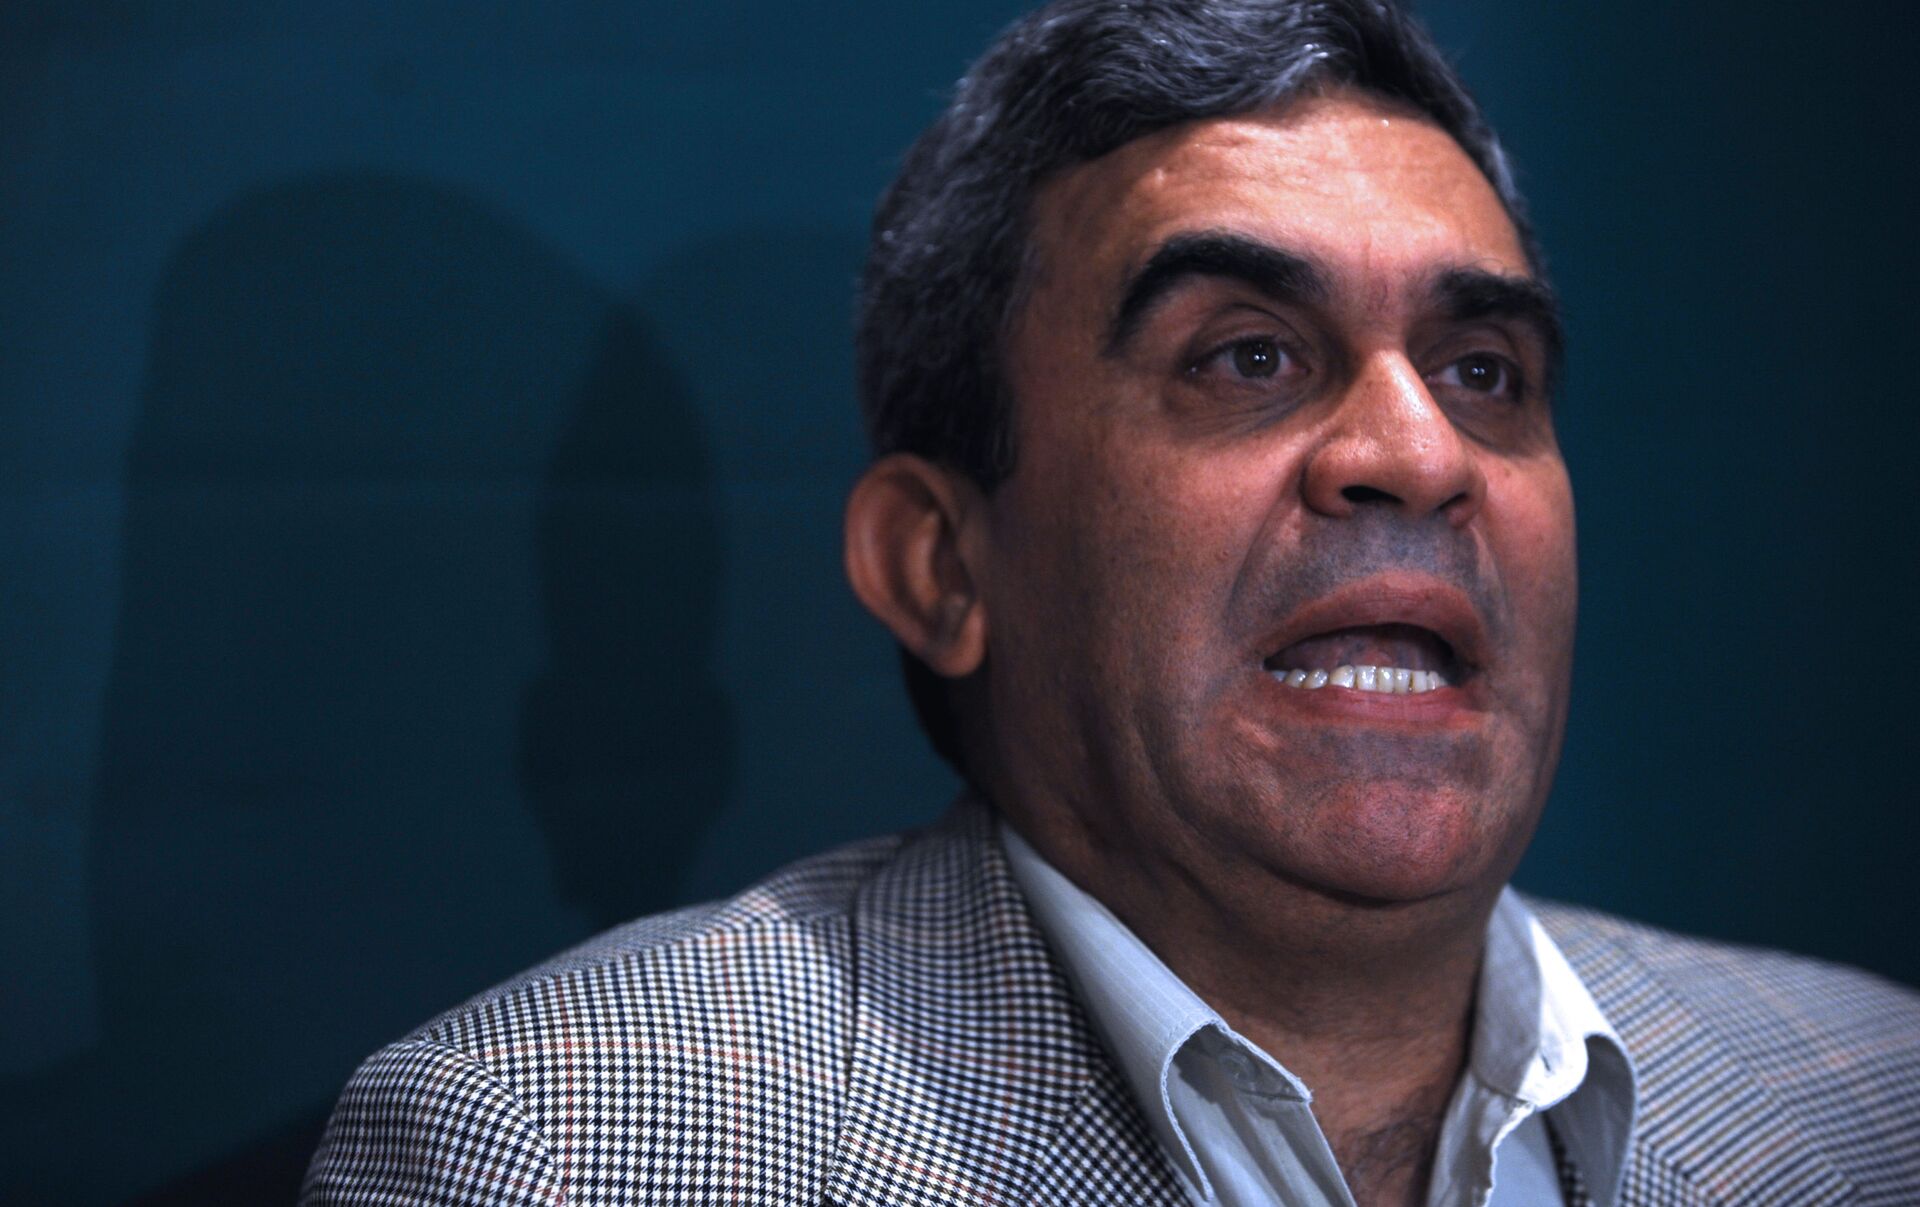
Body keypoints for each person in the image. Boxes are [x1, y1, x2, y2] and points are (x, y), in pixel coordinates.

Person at [303, 1, 1920, 1204]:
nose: (1421, 452)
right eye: (1248, 355)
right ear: (943, 567)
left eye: (1484, 371)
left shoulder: (1870, 1098)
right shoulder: (554, 1154)